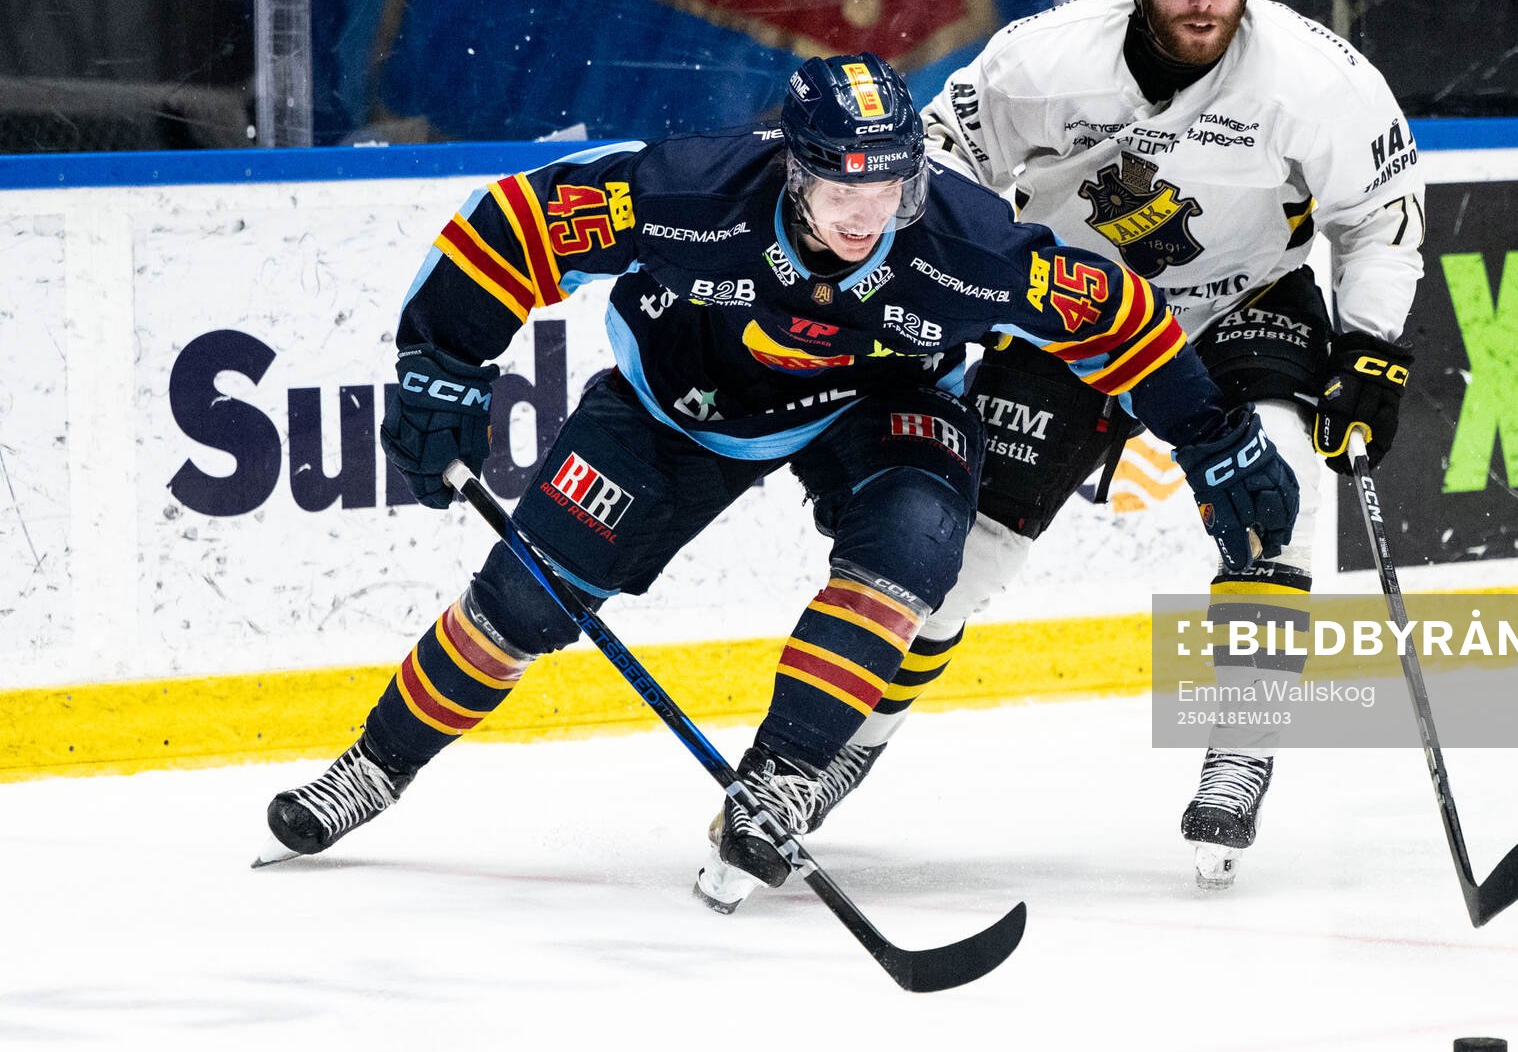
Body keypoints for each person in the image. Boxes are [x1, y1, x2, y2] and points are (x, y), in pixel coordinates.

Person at [255, 52, 1298, 913]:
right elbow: (523, 224)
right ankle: (373, 766)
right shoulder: (694, 192)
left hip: (876, 404)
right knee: (524, 597)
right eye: (841, 186)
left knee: (918, 548)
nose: (864, 212)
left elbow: (1110, 311)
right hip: (680, 410)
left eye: (886, 185)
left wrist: (1213, 438)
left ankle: (784, 776)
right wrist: (443, 358)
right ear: (795, 170)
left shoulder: (959, 245)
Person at [821, 0, 1427, 890]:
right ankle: (834, 745)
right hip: (1075, 310)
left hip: (1245, 298)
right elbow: (936, 161)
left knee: (1275, 488)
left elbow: (1380, 211)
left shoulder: (1319, 80)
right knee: (965, 551)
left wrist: (1372, 344)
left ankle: (1241, 740)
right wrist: (957, 281)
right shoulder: (1042, 60)